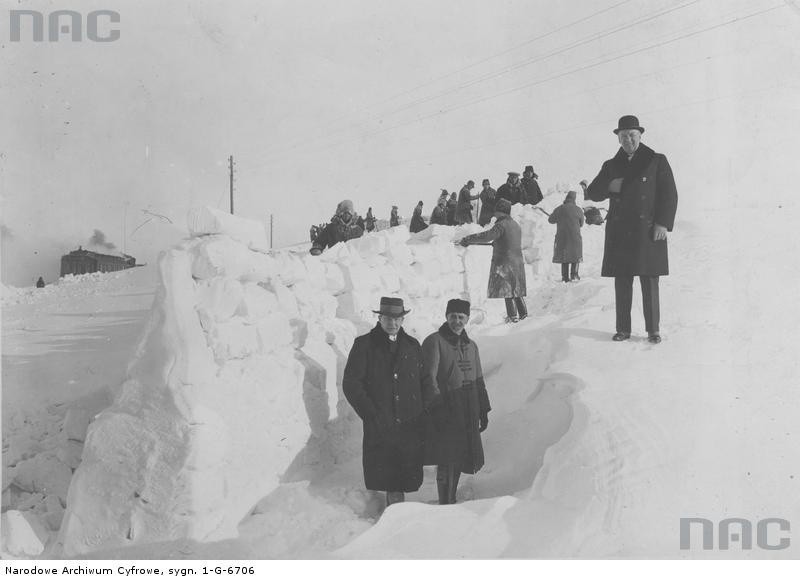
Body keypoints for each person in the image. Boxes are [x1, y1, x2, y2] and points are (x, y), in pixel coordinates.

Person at [585, 115, 678, 344]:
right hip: (621, 231)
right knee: (623, 281)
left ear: (640, 135)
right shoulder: (610, 165)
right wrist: (610, 185)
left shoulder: (657, 160)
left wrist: (662, 224)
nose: (628, 140)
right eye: (623, 136)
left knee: (649, 280)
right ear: (618, 139)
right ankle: (623, 329)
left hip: (648, 230)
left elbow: (669, 195)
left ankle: (653, 330)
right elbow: (594, 193)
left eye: (632, 135)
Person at [343, 297, 432, 507]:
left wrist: (422, 409)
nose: (392, 324)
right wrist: (371, 413)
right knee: (391, 477)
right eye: (388, 319)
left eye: (397, 319)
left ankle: (397, 517)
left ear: (402, 320)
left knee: (403, 474)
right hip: (382, 421)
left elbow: (425, 380)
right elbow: (352, 384)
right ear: (379, 318)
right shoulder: (364, 345)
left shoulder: (412, 345)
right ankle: (393, 521)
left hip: (409, 422)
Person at [422, 299, 491, 505]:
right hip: (446, 408)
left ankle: (451, 498)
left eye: (461, 317)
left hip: (467, 407)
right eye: (453, 316)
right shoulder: (434, 341)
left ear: (468, 319)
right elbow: (428, 378)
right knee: (446, 456)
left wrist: (483, 410)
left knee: (461, 455)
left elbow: (479, 378)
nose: (457, 321)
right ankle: (446, 501)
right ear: (446, 317)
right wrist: (436, 409)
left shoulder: (472, 346)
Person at [458, 199, 528, 323]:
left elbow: (487, 236)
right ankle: (524, 314)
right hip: (517, 261)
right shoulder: (515, 224)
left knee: (508, 290)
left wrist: (468, 239)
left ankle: (513, 317)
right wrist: (497, 243)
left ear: (501, 212)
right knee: (516, 289)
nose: (494, 214)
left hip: (506, 261)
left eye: (496, 211)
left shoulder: (501, 225)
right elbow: (508, 240)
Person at [548, 190, 584, 282]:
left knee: (564, 256)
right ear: (574, 199)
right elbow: (581, 223)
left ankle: (565, 277)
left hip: (562, 237)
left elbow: (551, 220)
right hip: (575, 237)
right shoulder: (578, 209)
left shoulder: (559, 209)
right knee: (575, 255)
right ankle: (574, 275)